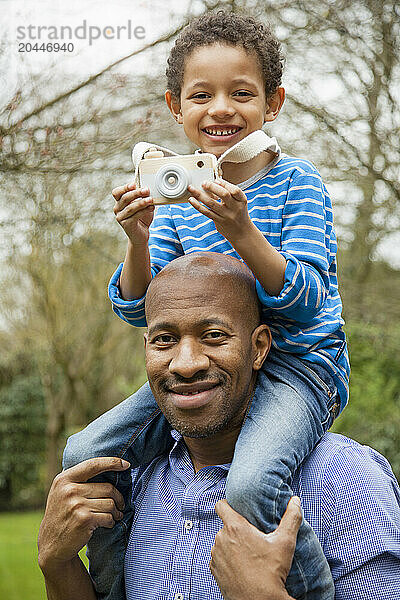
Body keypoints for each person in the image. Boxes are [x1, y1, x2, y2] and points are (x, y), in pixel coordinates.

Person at [66, 10, 351, 599]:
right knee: (84, 453)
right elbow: (142, 310)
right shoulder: (173, 198)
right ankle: (112, 588)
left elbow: (305, 301)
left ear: (272, 104)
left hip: (298, 365)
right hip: (212, 365)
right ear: (177, 108)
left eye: (241, 93)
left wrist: (243, 230)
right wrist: (139, 237)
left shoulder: (300, 185)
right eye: (203, 95)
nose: (221, 107)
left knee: (249, 487)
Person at [38, 254, 400, 600]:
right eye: (165, 340)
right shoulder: (127, 480)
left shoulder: (347, 479)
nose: (185, 364)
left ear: (258, 347)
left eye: (213, 335)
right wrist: (58, 564)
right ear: (146, 348)